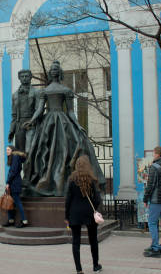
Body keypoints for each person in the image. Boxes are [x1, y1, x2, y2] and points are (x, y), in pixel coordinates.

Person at [23, 61, 105, 196]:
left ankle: (61, 183)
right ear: (49, 73)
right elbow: (39, 109)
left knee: (68, 148)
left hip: (63, 121)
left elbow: (71, 111)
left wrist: (78, 125)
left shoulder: (66, 90)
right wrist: (32, 120)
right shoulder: (44, 91)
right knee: (43, 149)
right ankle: (45, 181)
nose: (53, 71)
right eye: (52, 69)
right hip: (47, 122)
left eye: (56, 69)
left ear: (59, 72)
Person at [64, 155, 102, 274]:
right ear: (88, 165)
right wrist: (94, 210)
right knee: (93, 240)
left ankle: (79, 270)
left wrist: (67, 216)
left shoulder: (71, 179)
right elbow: (97, 199)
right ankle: (96, 266)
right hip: (89, 214)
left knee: (76, 242)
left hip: (74, 214)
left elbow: (68, 200)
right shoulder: (92, 179)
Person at [143, 146, 161, 258]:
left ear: (157, 154)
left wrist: (146, 198)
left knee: (152, 222)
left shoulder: (154, 167)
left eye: (154, 153)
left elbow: (150, 185)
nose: (153, 155)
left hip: (156, 199)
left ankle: (155, 248)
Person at [8, 69, 39, 154]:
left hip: (32, 124)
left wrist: (32, 121)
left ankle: (31, 167)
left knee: (30, 150)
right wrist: (12, 130)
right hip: (19, 124)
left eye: (26, 76)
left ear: (30, 77)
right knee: (20, 152)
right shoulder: (15, 95)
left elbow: (38, 110)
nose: (24, 78)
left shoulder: (36, 92)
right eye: (22, 76)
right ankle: (23, 167)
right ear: (19, 78)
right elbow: (14, 115)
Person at [3, 145, 28, 228]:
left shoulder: (15, 157)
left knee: (17, 202)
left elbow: (13, 171)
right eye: (6, 150)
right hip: (14, 182)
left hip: (14, 183)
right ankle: (11, 220)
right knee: (11, 202)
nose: (7, 151)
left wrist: (8, 182)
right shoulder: (14, 157)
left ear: (12, 150)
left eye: (8, 149)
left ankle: (24, 221)